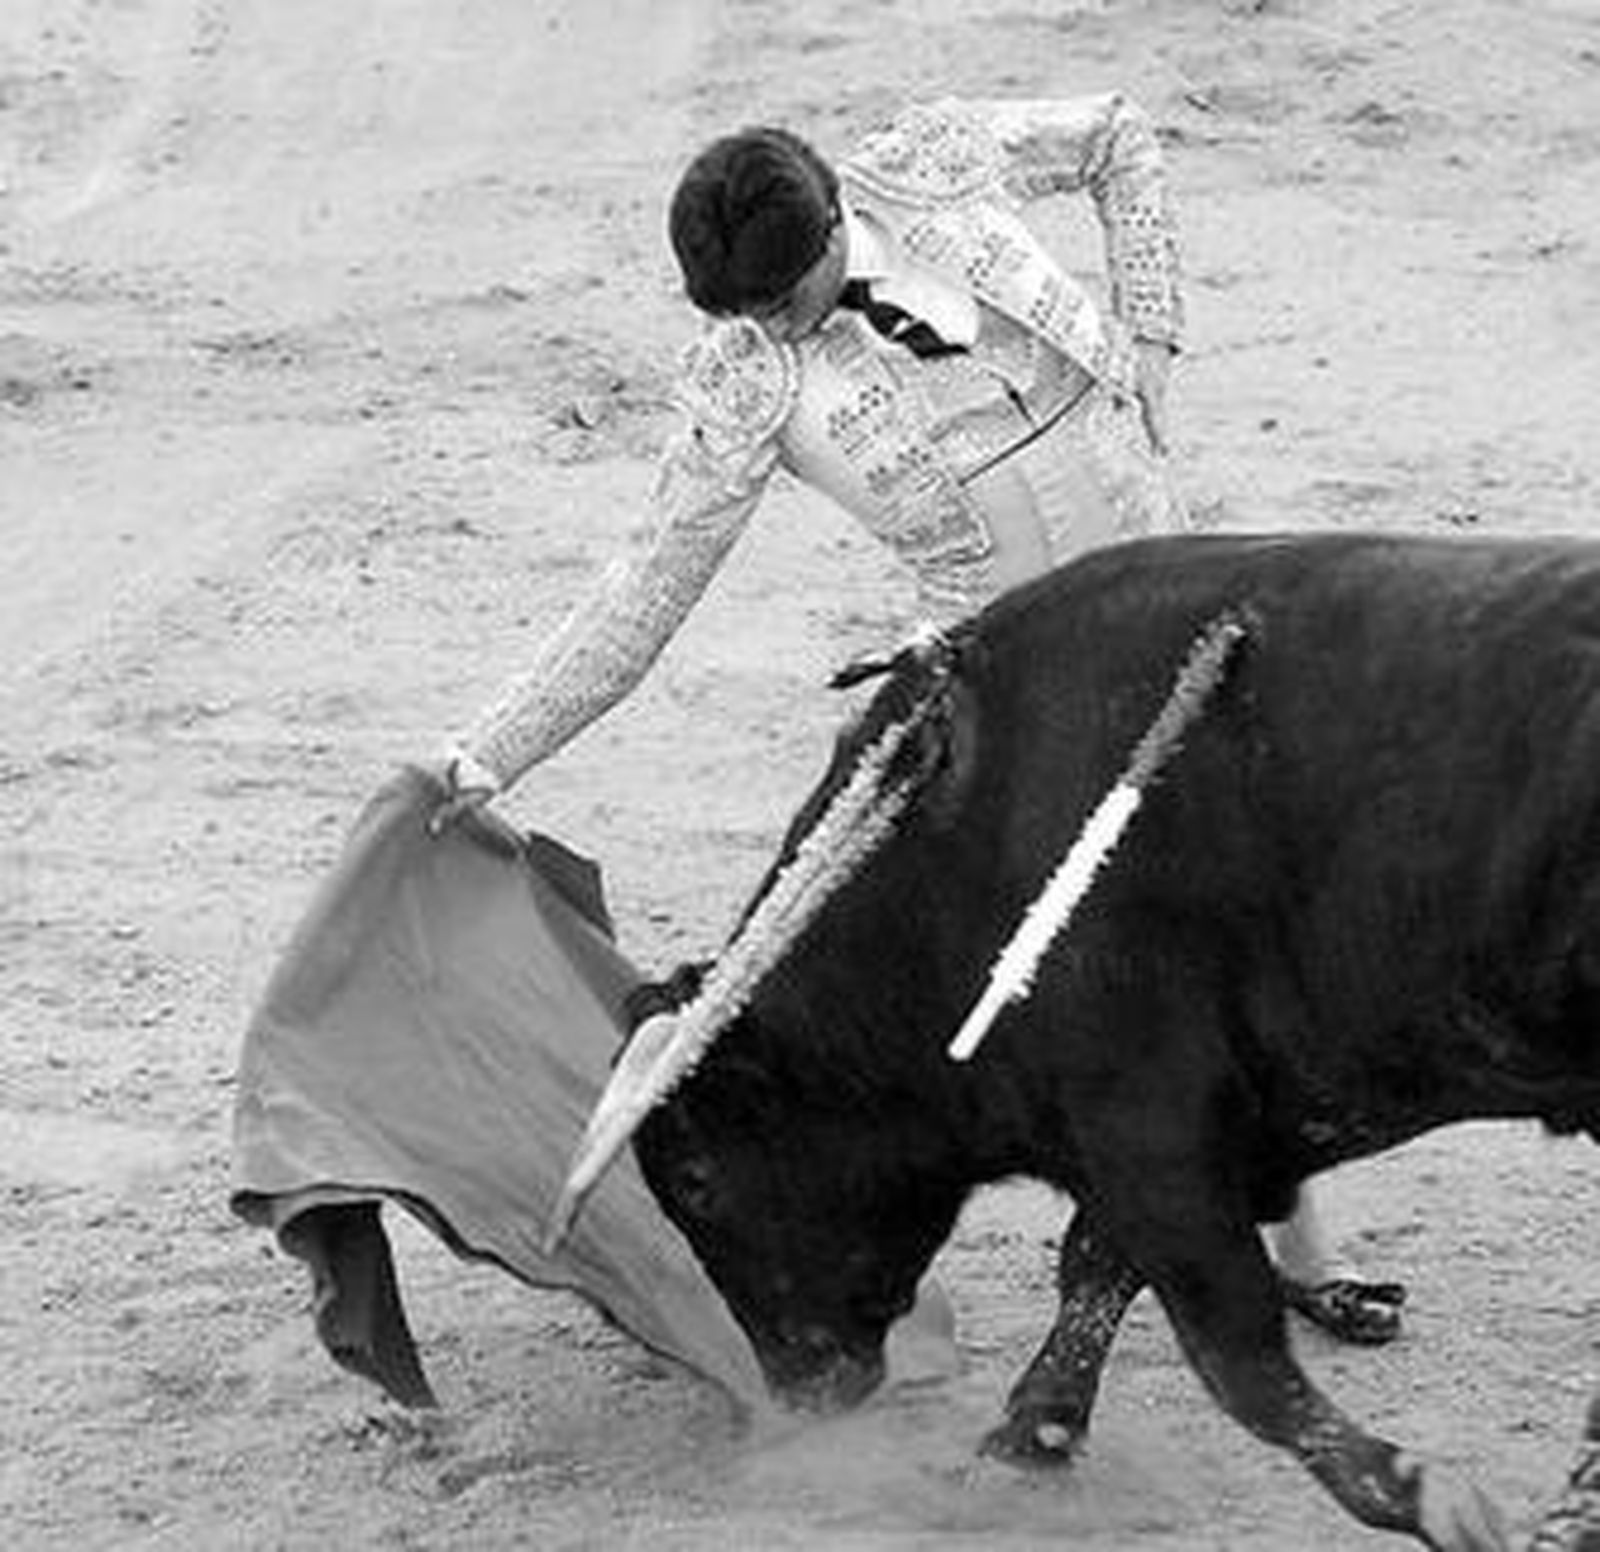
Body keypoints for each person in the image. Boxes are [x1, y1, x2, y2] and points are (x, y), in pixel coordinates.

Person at [435, 92, 1403, 1345]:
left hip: (1178, 598)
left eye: (784, 300)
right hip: (1010, 690)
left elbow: (1117, 135)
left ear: (838, 215)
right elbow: (643, 595)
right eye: (748, 315)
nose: (774, 330)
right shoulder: (746, 376)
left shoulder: (929, 164)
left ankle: (1299, 1249)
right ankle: (751, 1198)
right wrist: (487, 754)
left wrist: (1153, 336)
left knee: (1251, 907)